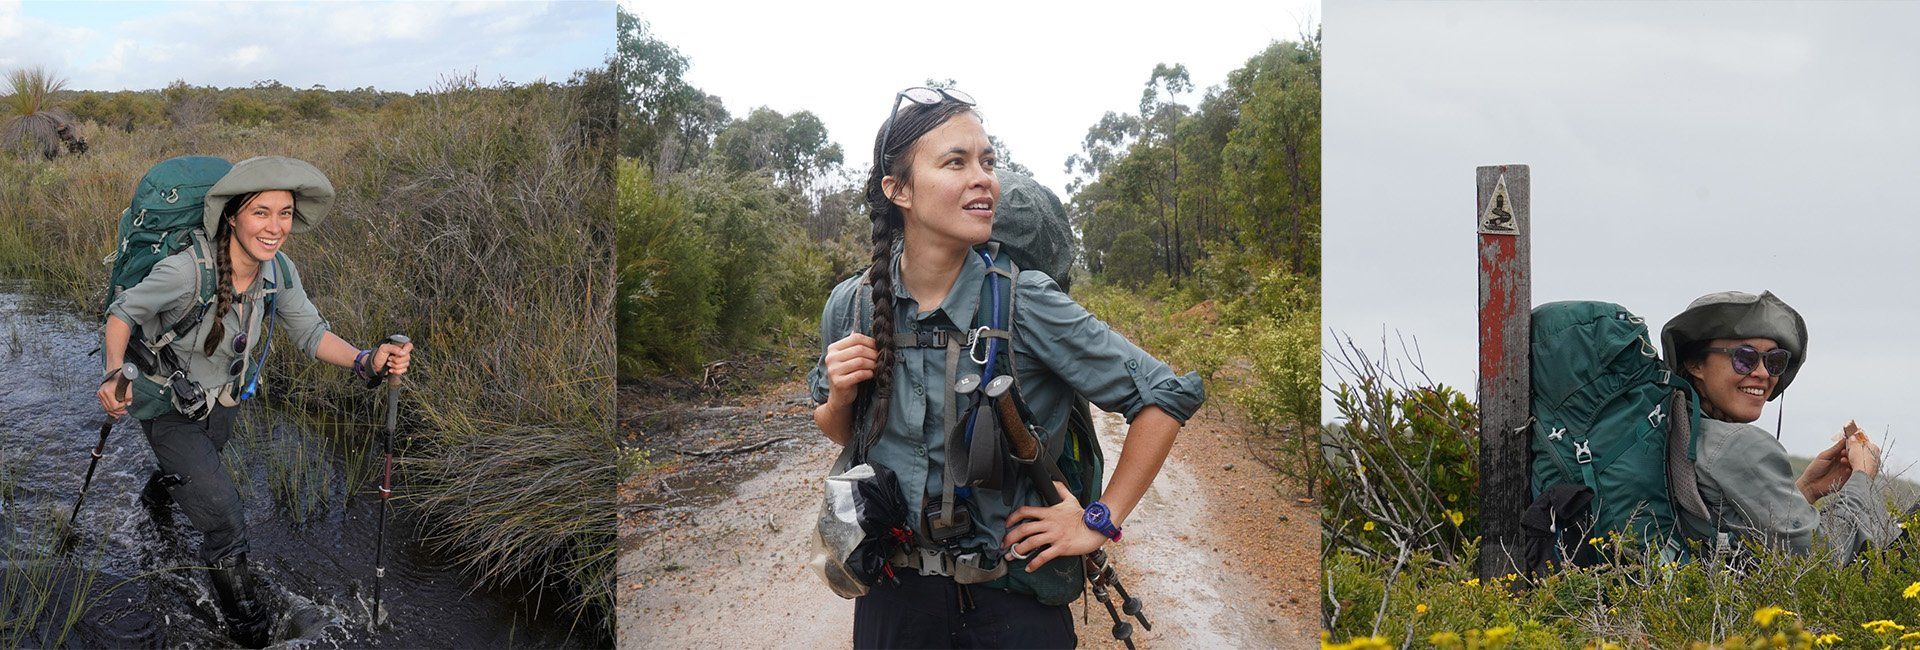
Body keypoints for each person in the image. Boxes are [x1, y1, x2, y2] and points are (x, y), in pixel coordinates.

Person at [809, 87, 1205, 648]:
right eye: (956, 161)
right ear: (897, 189)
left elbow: (1164, 395)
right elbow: (839, 433)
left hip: (1011, 604)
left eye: (987, 161)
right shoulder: (850, 306)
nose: (983, 178)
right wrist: (841, 399)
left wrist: (1097, 521)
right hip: (891, 600)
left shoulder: (1028, 302)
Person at [95, 156, 413, 648]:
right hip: (165, 406)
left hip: (221, 403)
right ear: (233, 217)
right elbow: (122, 312)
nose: (275, 227)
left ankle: (157, 497)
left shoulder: (278, 271)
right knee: (225, 522)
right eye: (261, 213)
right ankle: (250, 632)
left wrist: (366, 361)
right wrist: (115, 372)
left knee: (202, 467)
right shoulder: (185, 271)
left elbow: (312, 333)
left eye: (284, 213)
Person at [1661, 290, 1887, 562]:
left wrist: (1808, 489)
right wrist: (1862, 478)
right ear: (1695, 364)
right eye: (1744, 358)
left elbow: (1738, 529)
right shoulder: (1739, 444)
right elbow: (1825, 554)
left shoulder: (1675, 430)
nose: (1763, 373)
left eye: (1774, 361)